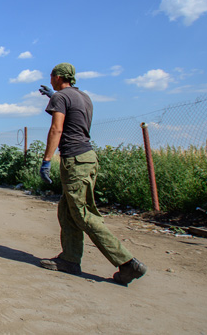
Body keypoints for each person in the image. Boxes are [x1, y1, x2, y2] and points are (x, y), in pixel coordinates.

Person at [38, 63, 147, 286]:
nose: (50, 80)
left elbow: (57, 129)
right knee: (67, 209)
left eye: (51, 77)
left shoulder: (61, 98)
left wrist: (46, 160)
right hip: (88, 157)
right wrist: (55, 96)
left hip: (75, 159)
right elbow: (75, 116)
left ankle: (127, 263)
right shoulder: (84, 97)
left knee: (82, 213)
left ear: (58, 77)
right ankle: (69, 259)